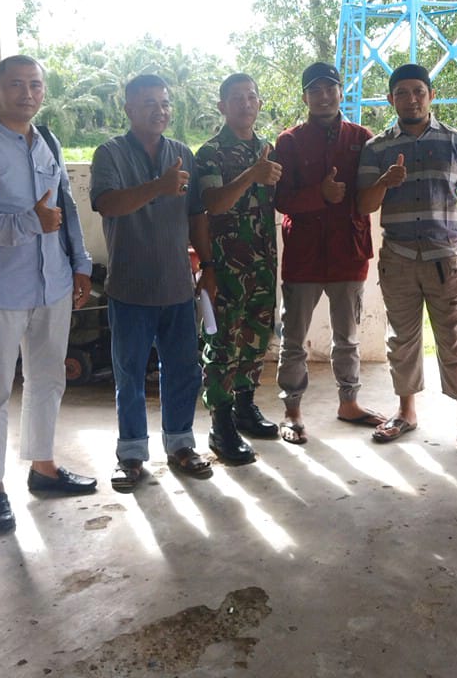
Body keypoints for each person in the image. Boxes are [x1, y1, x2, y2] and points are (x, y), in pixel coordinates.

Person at [0, 54, 97, 535]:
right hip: (0, 290)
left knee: (48, 379)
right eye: (16, 84)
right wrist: (26, 223)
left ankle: (44, 468)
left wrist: (79, 264)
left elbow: (65, 208)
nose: (27, 93)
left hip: (51, 283)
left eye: (35, 85)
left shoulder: (47, 142)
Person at [90, 74, 216, 490]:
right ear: (128, 109)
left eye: (164, 103)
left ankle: (181, 445)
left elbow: (196, 214)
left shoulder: (182, 153)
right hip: (129, 287)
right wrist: (159, 187)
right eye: (148, 103)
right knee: (128, 373)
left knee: (183, 370)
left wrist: (207, 266)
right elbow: (108, 204)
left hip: (177, 285)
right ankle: (130, 454)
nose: (159, 111)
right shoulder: (109, 154)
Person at [357, 63, 457, 455]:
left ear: (430, 95)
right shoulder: (376, 147)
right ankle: (406, 412)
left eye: (418, 91)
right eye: (401, 92)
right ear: (390, 98)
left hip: (445, 258)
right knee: (402, 340)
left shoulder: (456, 142)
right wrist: (383, 183)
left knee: (455, 340)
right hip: (397, 256)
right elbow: (363, 204)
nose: (410, 99)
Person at [273, 62, 385, 444]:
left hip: (348, 254)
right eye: (315, 90)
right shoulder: (288, 142)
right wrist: (317, 196)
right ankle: (292, 411)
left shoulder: (363, 138)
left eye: (330, 88)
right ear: (305, 96)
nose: (324, 96)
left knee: (347, 338)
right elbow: (279, 198)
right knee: (294, 339)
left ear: (341, 91)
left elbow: (371, 192)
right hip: (303, 257)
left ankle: (349, 402)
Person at [194, 73, 283, 463]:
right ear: (222, 107)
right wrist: (250, 175)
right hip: (226, 265)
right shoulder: (211, 153)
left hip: (263, 263)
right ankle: (221, 424)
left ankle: (245, 407)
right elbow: (214, 203)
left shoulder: (268, 149)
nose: (246, 103)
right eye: (236, 97)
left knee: (256, 336)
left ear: (259, 104)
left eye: (252, 96)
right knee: (222, 344)